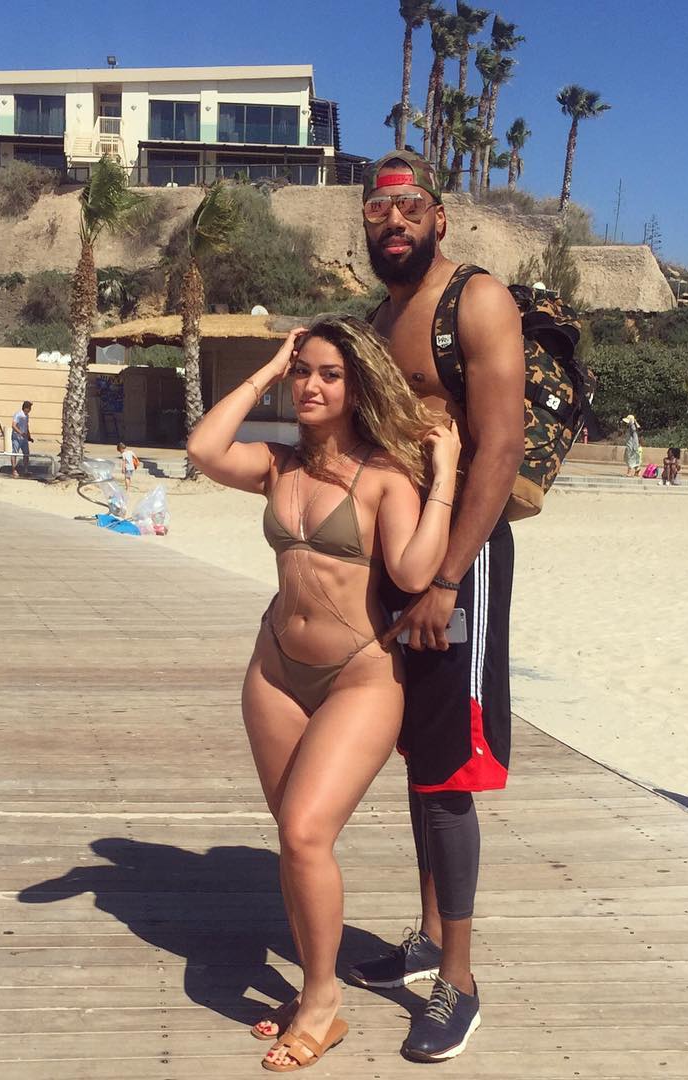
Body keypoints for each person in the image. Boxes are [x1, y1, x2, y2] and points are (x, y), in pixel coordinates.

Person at [187, 316, 461, 1072]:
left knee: (306, 833)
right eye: (303, 371)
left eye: (329, 374)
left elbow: (413, 572)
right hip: (274, 671)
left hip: (359, 677)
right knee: (294, 837)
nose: (311, 385)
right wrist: (268, 366)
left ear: (357, 386)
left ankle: (321, 1001)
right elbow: (203, 448)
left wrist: (443, 473)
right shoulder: (277, 465)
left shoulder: (384, 475)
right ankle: (314, 987)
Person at [351, 149, 525, 1063]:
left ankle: (460, 980)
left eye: (411, 208)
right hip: (398, 558)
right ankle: (425, 940)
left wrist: (448, 579)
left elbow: (500, 447)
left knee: (450, 769)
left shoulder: (477, 302)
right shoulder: (377, 320)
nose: (395, 224)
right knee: (419, 756)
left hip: (463, 561)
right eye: (380, 212)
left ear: (439, 217)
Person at [11, 401, 33, 477]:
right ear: (25, 408)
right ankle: (14, 470)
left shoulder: (27, 416)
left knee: (26, 453)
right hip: (17, 437)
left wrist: (29, 436)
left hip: (24, 438)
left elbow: (26, 426)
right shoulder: (18, 415)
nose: (30, 409)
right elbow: (13, 425)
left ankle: (26, 470)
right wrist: (20, 433)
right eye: (29, 408)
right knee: (14, 453)